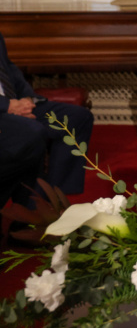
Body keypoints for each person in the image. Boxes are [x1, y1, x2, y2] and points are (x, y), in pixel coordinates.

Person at [0, 33, 93, 207]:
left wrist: (27, 99)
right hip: (4, 108)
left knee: (77, 118)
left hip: (13, 103)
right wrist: (7, 106)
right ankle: (29, 211)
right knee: (31, 131)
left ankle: (54, 199)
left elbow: (8, 68)